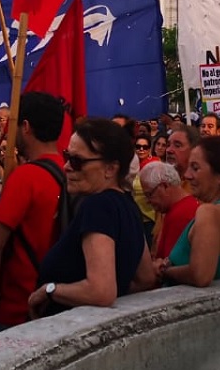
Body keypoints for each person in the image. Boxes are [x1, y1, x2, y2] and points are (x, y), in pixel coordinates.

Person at [28, 119, 155, 318]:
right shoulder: (128, 204)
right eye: (67, 156)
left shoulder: (98, 206)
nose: (67, 167)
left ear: (110, 169)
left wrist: (50, 291)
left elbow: (101, 291)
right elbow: (145, 278)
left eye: (77, 161)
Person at [0, 92, 66, 332]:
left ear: (25, 127)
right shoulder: (70, 172)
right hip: (56, 300)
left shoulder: (25, 176)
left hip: (18, 307)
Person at [155, 136, 220, 286]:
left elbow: (201, 275)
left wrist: (165, 270)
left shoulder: (209, 212)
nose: (187, 175)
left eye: (195, 168)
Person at [138, 162, 200, 261]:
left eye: (149, 194)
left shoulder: (179, 215)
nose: (148, 201)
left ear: (165, 186)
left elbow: (170, 263)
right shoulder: (187, 206)